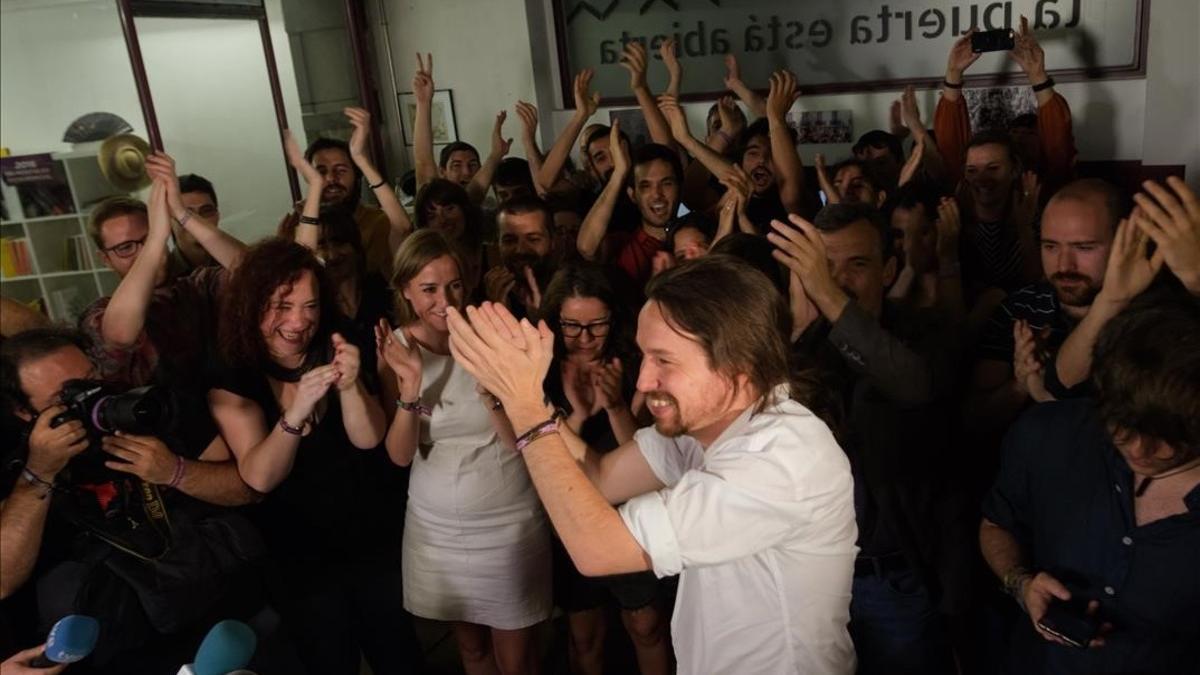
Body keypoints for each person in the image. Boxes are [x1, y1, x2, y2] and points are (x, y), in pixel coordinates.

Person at [446, 255, 858, 674]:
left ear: (738, 361)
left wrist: (526, 404)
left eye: (664, 360)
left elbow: (599, 550)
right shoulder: (706, 427)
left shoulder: (781, 458)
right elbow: (600, 477)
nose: (643, 381)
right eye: (644, 356)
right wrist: (514, 395)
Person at [0, 329, 274, 674]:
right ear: (24, 412)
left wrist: (175, 471)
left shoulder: (149, 409)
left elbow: (247, 490)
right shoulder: (18, 463)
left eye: (89, 379)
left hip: (222, 616)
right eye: (65, 397)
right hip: (115, 644)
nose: (88, 398)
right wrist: (40, 472)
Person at [207, 239, 418, 675]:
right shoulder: (232, 371)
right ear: (252, 304)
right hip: (298, 554)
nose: (299, 321)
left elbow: (369, 439)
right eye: (283, 306)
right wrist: (296, 411)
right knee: (330, 660)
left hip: (370, 536)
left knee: (398, 654)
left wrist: (350, 386)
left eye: (310, 305)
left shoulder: (338, 341)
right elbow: (260, 476)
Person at [770, 204, 962, 674]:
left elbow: (912, 385)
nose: (835, 280)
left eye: (856, 265)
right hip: (805, 580)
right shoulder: (792, 343)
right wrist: (797, 328)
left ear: (890, 269)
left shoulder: (926, 332)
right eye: (823, 267)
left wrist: (828, 297)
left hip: (893, 580)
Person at [979, 288, 1200, 675]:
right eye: (1123, 422)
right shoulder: (1048, 435)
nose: (1138, 447)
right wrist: (1021, 584)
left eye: (1166, 433)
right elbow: (996, 525)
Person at [377, 230, 550, 675]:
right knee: (471, 649)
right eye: (429, 289)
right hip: (436, 527)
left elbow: (522, 441)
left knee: (517, 659)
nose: (445, 300)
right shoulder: (395, 348)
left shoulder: (494, 333)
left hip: (508, 518)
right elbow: (398, 455)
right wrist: (411, 387)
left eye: (454, 285)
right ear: (406, 292)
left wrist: (491, 394)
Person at [538, 263, 672, 675]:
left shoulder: (635, 363)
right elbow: (543, 455)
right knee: (584, 633)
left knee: (645, 625)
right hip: (570, 514)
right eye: (571, 326)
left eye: (596, 325)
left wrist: (614, 406)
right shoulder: (541, 368)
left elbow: (649, 454)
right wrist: (576, 417)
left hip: (631, 515)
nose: (583, 338)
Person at [81, 176, 243, 459]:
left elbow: (258, 273)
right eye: (125, 248)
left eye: (148, 239)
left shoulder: (195, 286)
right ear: (105, 259)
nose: (144, 254)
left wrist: (182, 215)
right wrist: (155, 239)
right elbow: (121, 333)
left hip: (236, 434)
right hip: (160, 455)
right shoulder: (98, 314)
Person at [966, 179, 1125, 437]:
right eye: (1050, 246)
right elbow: (974, 419)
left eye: (1083, 248)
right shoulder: (1021, 308)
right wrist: (1020, 385)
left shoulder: (1148, 313)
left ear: (1122, 244)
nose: (1064, 265)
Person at [660, 70, 809, 227]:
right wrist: (724, 132)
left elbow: (791, 192)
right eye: (753, 152)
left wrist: (776, 118)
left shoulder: (798, 194)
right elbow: (691, 193)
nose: (762, 159)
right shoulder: (725, 194)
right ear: (741, 159)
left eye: (772, 154)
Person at [277, 107, 412, 279]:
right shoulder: (294, 225)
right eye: (321, 171)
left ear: (356, 175)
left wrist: (360, 158)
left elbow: (403, 228)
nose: (331, 179)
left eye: (340, 170)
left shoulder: (377, 222)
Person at [576, 124, 681, 291]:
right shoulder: (623, 243)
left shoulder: (696, 238)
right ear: (633, 195)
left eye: (666, 183)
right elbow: (586, 248)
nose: (657, 194)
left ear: (679, 187)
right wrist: (620, 173)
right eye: (645, 186)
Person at [484, 195, 558, 319]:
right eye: (509, 240)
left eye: (533, 239)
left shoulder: (572, 291)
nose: (521, 249)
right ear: (498, 243)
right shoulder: (486, 291)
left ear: (552, 241)